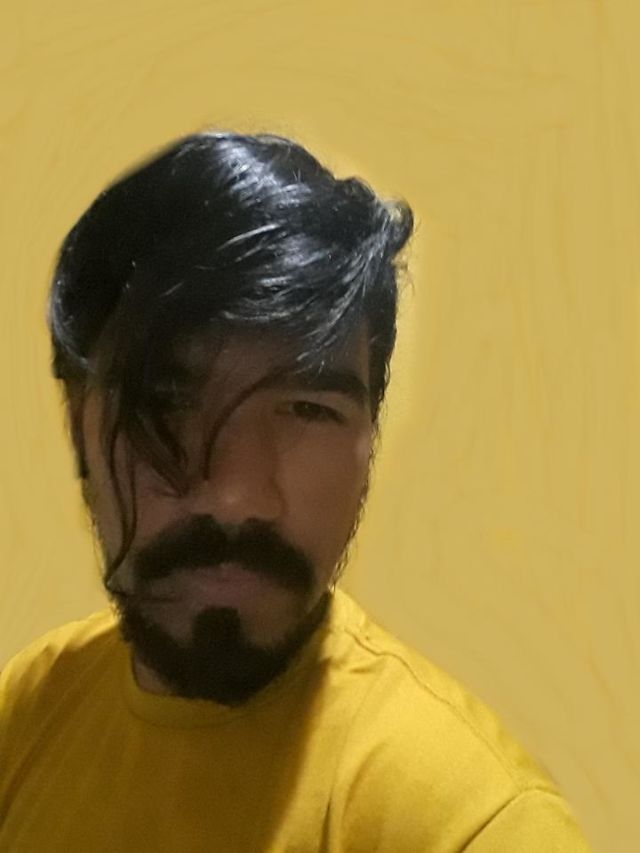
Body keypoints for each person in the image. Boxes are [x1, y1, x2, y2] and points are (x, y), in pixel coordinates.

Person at [0, 130, 592, 851]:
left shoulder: (472, 824)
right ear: (76, 426)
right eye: (166, 402)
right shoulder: (33, 706)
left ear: (369, 441)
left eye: (307, 410)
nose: (239, 495)